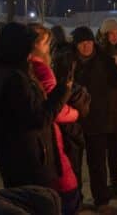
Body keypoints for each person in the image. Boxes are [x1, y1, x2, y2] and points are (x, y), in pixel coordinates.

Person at [0, 22, 71, 191]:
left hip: (18, 158)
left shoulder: (2, 73)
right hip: (29, 161)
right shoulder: (16, 79)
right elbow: (38, 118)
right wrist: (61, 92)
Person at [66, 26, 117, 212]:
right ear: (76, 44)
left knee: (97, 163)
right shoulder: (68, 61)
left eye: (88, 42)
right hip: (74, 121)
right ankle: (76, 200)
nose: (86, 46)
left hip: (98, 119)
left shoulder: (104, 60)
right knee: (74, 165)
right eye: (82, 43)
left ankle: (101, 200)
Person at [29, 23, 89, 215]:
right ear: (36, 45)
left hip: (32, 146)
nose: (48, 47)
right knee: (66, 189)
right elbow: (57, 108)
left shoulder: (20, 67)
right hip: (48, 139)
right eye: (46, 43)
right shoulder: (40, 68)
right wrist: (76, 113)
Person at [96, 17, 117, 197]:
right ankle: (102, 185)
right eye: (111, 33)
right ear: (104, 34)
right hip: (102, 107)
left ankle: (115, 181)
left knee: (115, 148)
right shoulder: (98, 53)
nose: (114, 36)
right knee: (100, 150)